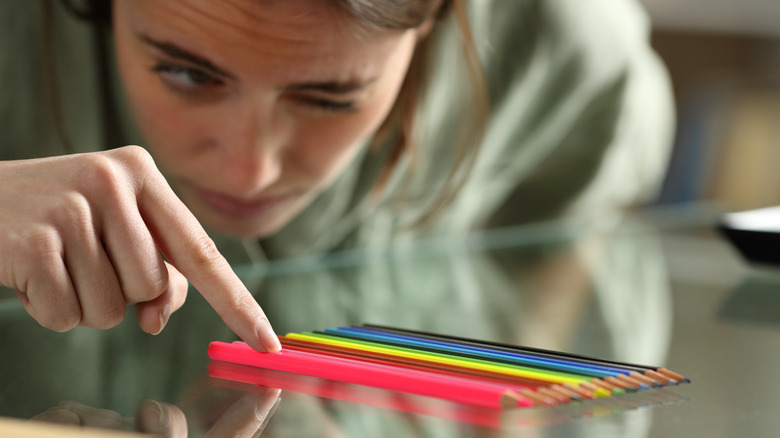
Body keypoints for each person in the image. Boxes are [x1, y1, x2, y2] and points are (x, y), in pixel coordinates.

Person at [0, 0, 674, 351]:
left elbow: (580, 226)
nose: (250, 169)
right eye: (185, 73)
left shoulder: (568, 40)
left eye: (329, 100)